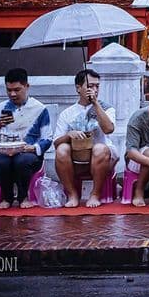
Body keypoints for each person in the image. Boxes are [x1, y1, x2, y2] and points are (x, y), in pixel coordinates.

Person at [0, 68, 51, 209]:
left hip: (28, 152)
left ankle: (23, 197)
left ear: (27, 86)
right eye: (9, 90)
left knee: (22, 160)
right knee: (0, 162)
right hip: (4, 151)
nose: (12, 94)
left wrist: (33, 148)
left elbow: (47, 139)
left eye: (17, 89)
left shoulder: (40, 109)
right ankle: (7, 197)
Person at [53, 69, 117, 208]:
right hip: (76, 159)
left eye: (97, 86)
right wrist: (68, 135)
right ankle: (72, 194)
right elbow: (56, 143)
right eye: (90, 86)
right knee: (62, 149)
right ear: (78, 88)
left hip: (101, 157)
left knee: (100, 148)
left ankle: (95, 194)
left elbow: (109, 129)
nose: (94, 89)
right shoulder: (67, 113)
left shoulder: (106, 108)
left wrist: (95, 103)